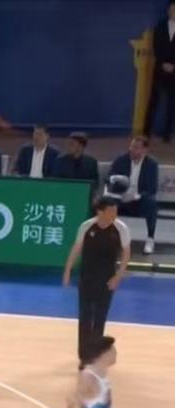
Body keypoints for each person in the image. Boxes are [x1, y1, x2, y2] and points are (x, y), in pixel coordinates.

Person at [63, 194, 130, 364]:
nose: (114, 214)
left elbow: (126, 253)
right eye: (111, 211)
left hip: (107, 278)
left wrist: (118, 276)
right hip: (87, 277)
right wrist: (68, 270)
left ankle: (95, 355)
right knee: (85, 316)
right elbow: (77, 248)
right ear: (100, 211)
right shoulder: (87, 226)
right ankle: (84, 356)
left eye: (116, 211)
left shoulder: (120, 228)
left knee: (100, 317)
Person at [109, 136, 159, 255]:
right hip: (120, 198)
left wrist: (135, 196)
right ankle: (108, 237)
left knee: (151, 203)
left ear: (145, 150)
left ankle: (150, 239)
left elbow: (152, 189)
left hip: (139, 200)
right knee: (106, 202)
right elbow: (109, 177)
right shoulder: (121, 160)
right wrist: (116, 183)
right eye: (131, 146)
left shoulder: (152, 164)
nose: (132, 150)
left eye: (136, 147)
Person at [146, 0, 175, 142]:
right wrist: (163, 63)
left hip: (174, 70)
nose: (174, 12)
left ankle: (167, 134)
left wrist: (173, 65)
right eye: (172, 9)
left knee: (171, 103)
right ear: (168, 10)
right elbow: (155, 45)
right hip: (159, 68)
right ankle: (146, 132)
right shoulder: (160, 26)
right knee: (153, 100)